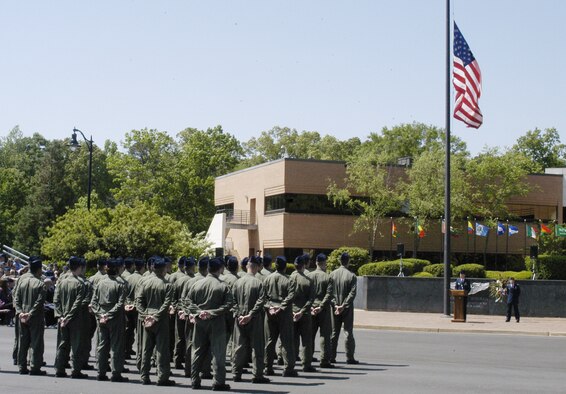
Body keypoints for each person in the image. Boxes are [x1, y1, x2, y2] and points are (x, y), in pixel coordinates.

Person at [187, 257, 233, 391]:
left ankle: (195, 380)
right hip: (217, 322)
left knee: (197, 351)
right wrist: (212, 312)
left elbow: (187, 301)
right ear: (220, 269)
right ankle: (218, 382)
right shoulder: (223, 286)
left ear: (207, 269)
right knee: (218, 353)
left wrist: (199, 312)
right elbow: (229, 304)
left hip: (200, 321)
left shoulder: (197, 284)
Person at [136, 256, 175, 386]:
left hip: (147, 318)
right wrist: (156, 316)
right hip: (161, 319)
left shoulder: (144, 282)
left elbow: (139, 301)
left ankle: (144, 376)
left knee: (146, 349)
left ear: (153, 268)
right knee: (162, 349)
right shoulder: (167, 285)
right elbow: (166, 304)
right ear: (164, 268)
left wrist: (145, 315)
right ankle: (162, 377)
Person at [231, 256, 270, 384]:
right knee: (257, 347)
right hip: (254, 319)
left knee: (239, 346)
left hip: (239, 318)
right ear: (257, 267)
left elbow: (232, 301)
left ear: (247, 266)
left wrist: (238, 314)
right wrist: (251, 315)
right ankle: (257, 375)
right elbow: (261, 301)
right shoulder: (259, 283)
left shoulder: (237, 282)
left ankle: (236, 373)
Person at [91, 258, 129, 382]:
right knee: (116, 346)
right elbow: (120, 304)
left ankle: (101, 372)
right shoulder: (120, 284)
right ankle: (115, 373)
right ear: (117, 269)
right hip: (115, 319)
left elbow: (93, 302)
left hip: (102, 318)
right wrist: (108, 314)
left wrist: (101, 315)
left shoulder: (100, 283)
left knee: (102, 346)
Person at [54, 256, 88, 378]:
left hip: (62, 318)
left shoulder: (61, 282)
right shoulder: (80, 283)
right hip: (75, 318)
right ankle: (76, 370)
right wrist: (69, 316)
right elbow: (77, 303)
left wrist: (60, 316)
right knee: (76, 345)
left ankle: (59, 369)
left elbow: (56, 300)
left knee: (63, 344)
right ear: (79, 267)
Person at [263, 256, 298, 377]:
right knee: (286, 340)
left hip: (270, 312)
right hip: (284, 313)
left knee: (270, 340)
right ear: (285, 267)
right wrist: (281, 307)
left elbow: (263, 296)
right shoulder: (290, 280)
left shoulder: (268, 279)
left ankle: (267, 367)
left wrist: (270, 307)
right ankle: (288, 368)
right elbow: (291, 296)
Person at [14, 256, 46, 375]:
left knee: (22, 341)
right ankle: (34, 367)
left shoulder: (22, 280)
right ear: (39, 269)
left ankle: (22, 366)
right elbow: (39, 302)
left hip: (22, 315)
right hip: (35, 317)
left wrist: (20, 312)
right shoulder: (40, 283)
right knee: (36, 342)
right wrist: (30, 313)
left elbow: (16, 297)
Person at [307, 253, 335, 368]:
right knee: (324, 335)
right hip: (323, 310)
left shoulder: (309, 276)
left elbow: (306, 294)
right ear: (324, 263)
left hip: (311, 309)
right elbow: (329, 295)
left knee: (310, 335)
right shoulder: (328, 277)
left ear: (316, 263)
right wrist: (321, 306)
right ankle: (324, 360)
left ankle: (308, 358)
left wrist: (312, 307)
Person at [330, 252, 358, 364]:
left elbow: (329, 292)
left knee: (333, 332)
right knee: (348, 332)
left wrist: (335, 305)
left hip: (334, 308)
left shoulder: (332, 274)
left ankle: (331, 357)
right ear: (348, 261)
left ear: (339, 261)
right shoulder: (351, 275)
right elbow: (353, 293)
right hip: (346, 309)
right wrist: (344, 305)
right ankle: (349, 357)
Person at [290, 254, 316, 372]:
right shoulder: (308, 281)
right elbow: (311, 300)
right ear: (303, 265)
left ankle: (291, 362)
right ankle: (306, 364)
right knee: (306, 340)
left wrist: (293, 311)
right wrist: (301, 311)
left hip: (291, 313)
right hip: (304, 314)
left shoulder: (289, 278)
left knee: (292, 338)